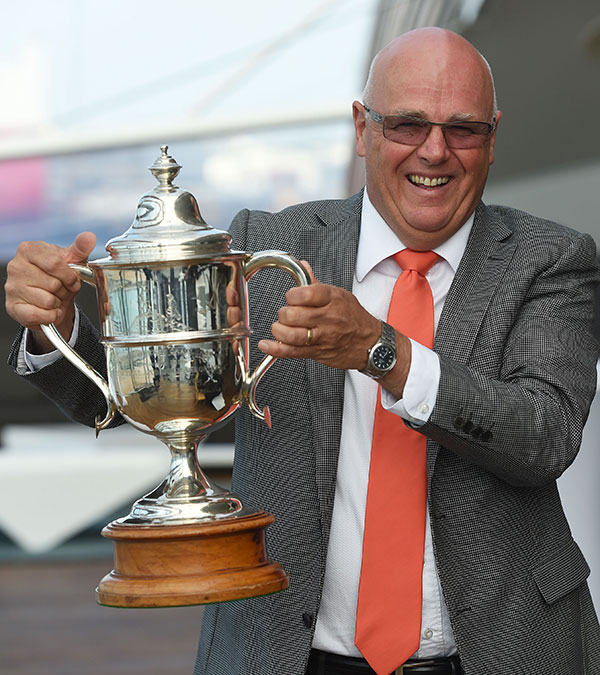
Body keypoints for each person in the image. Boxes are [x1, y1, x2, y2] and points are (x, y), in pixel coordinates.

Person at [5, 27, 600, 675]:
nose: (436, 151)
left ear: (493, 135)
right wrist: (54, 327)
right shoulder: (266, 242)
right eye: (406, 124)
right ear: (361, 125)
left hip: (501, 651)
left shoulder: (552, 259)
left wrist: (382, 350)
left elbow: (543, 438)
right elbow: (151, 398)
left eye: (464, 128)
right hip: (286, 653)